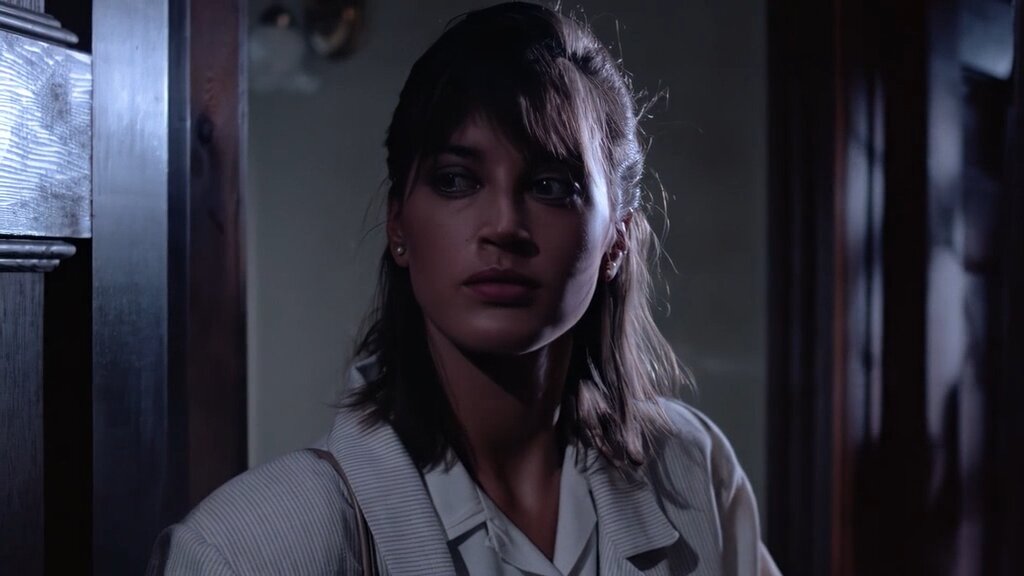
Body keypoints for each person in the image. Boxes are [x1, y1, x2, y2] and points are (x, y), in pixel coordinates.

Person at [148, 3, 781, 575]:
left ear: (615, 239)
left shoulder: (692, 472)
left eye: (551, 186)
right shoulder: (249, 549)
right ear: (399, 224)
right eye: (456, 180)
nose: (504, 225)